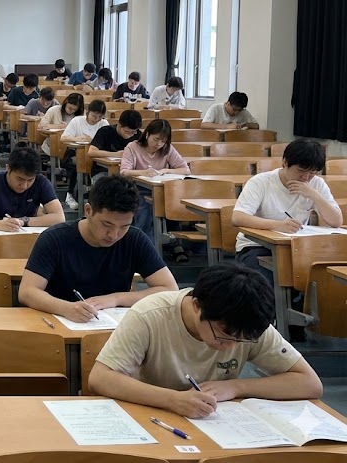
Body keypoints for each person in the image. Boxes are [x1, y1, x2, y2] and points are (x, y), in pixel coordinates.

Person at [89, 262, 322, 419]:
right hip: (152, 414)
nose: (230, 346)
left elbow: (310, 383)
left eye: (241, 341)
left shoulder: (247, 325)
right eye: (223, 335)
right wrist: (173, 400)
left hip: (212, 423)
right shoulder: (150, 314)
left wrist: (236, 386)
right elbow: (101, 378)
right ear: (196, 306)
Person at [18, 175, 178, 322]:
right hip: (59, 324)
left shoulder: (135, 239)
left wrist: (115, 299)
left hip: (110, 327)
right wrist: (66, 308)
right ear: (88, 211)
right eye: (107, 224)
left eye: (124, 226)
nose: (114, 235)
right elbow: (27, 292)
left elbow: (170, 289)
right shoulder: (55, 239)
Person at [232, 139, 343, 278]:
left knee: (324, 274)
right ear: (284, 162)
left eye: (312, 173)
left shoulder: (316, 184)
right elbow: (238, 217)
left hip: (297, 247)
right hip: (257, 246)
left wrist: (314, 195)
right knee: (264, 279)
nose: (305, 177)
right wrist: (277, 225)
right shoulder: (261, 182)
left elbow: (336, 221)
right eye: (301, 170)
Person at [119, 119, 190, 238]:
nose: (159, 144)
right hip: (139, 188)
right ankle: (145, 240)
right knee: (145, 207)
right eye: (156, 139)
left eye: (163, 141)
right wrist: (143, 173)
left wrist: (165, 170)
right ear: (147, 135)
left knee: (175, 202)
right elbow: (124, 172)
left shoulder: (167, 148)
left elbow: (185, 170)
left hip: (163, 189)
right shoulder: (132, 147)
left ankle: (175, 242)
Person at [0, 147, 64, 232]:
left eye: (30, 180)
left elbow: (59, 217)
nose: (24, 186)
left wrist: (23, 221)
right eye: (20, 179)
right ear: (8, 169)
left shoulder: (41, 182)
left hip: (25, 235)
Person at [60, 99, 110, 208]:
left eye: (100, 117)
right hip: (75, 152)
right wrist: (77, 138)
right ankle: (70, 195)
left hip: (95, 155)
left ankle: (98, 199)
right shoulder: (77, 121)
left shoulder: (104, 123)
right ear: (87, 111)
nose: (96, 119)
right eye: (94, 115)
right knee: (77, 163)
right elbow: (63, 138)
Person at [87, 109, 142, 184]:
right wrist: (116, 154)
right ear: (119, 125)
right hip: (103, 171)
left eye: (133, 132)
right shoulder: (105, 131)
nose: (130, 135)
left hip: (128, 173)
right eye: (127, 131)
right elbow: (91, 152)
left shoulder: (138, 136)